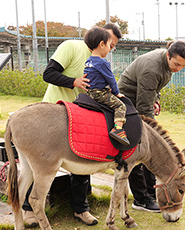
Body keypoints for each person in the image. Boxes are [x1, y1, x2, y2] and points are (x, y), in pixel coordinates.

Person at [22, 23, 122, 227]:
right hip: (53, 115)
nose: (111, 48)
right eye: (111, 44)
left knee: (83, 158)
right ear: (101, 39)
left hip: (80, 115)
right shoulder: (70, 47)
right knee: (39, 163)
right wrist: (74, 82)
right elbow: (48, 74)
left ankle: (81, 208)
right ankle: (28, 210)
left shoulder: (99, 60)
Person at [118, 40, 185, 212]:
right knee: (138, 149)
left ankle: (151, 192)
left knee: (151, 150)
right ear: (168, 55)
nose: (178, 68)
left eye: (183, 66)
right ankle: (141, 199)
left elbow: (153, 90)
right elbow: (143, 108)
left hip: (141, 100)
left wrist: (156, 101)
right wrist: (153, 136)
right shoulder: (152, 68)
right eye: (176, 64)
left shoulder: (167, 65)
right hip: (126, 104)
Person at [83, 26, 129, 145]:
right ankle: (118, 129)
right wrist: (116, 92)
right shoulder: (102, 62)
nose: (110, 49)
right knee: (120, 106)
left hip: (89, 93)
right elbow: (111, 79)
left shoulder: (88, 61)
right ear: (102, 44)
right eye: (110, 45)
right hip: (100, 93)